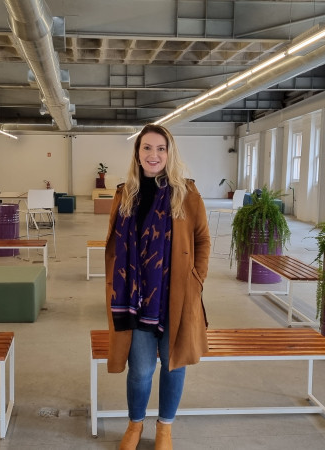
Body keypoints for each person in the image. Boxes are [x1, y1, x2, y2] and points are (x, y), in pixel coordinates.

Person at [103, 124, 211, 450]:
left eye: (160, 148)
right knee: (140, 369)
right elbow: (115, 244)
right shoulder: (125, 195)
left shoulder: (186, 194)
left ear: (169, 153)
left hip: (175, 296)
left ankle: (165, 428)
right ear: (137, 153)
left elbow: (203, 240)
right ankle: (135, 425)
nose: (154, 155)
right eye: (147, 148)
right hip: (135, 300)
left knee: (173, 364)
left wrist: (196, 279)